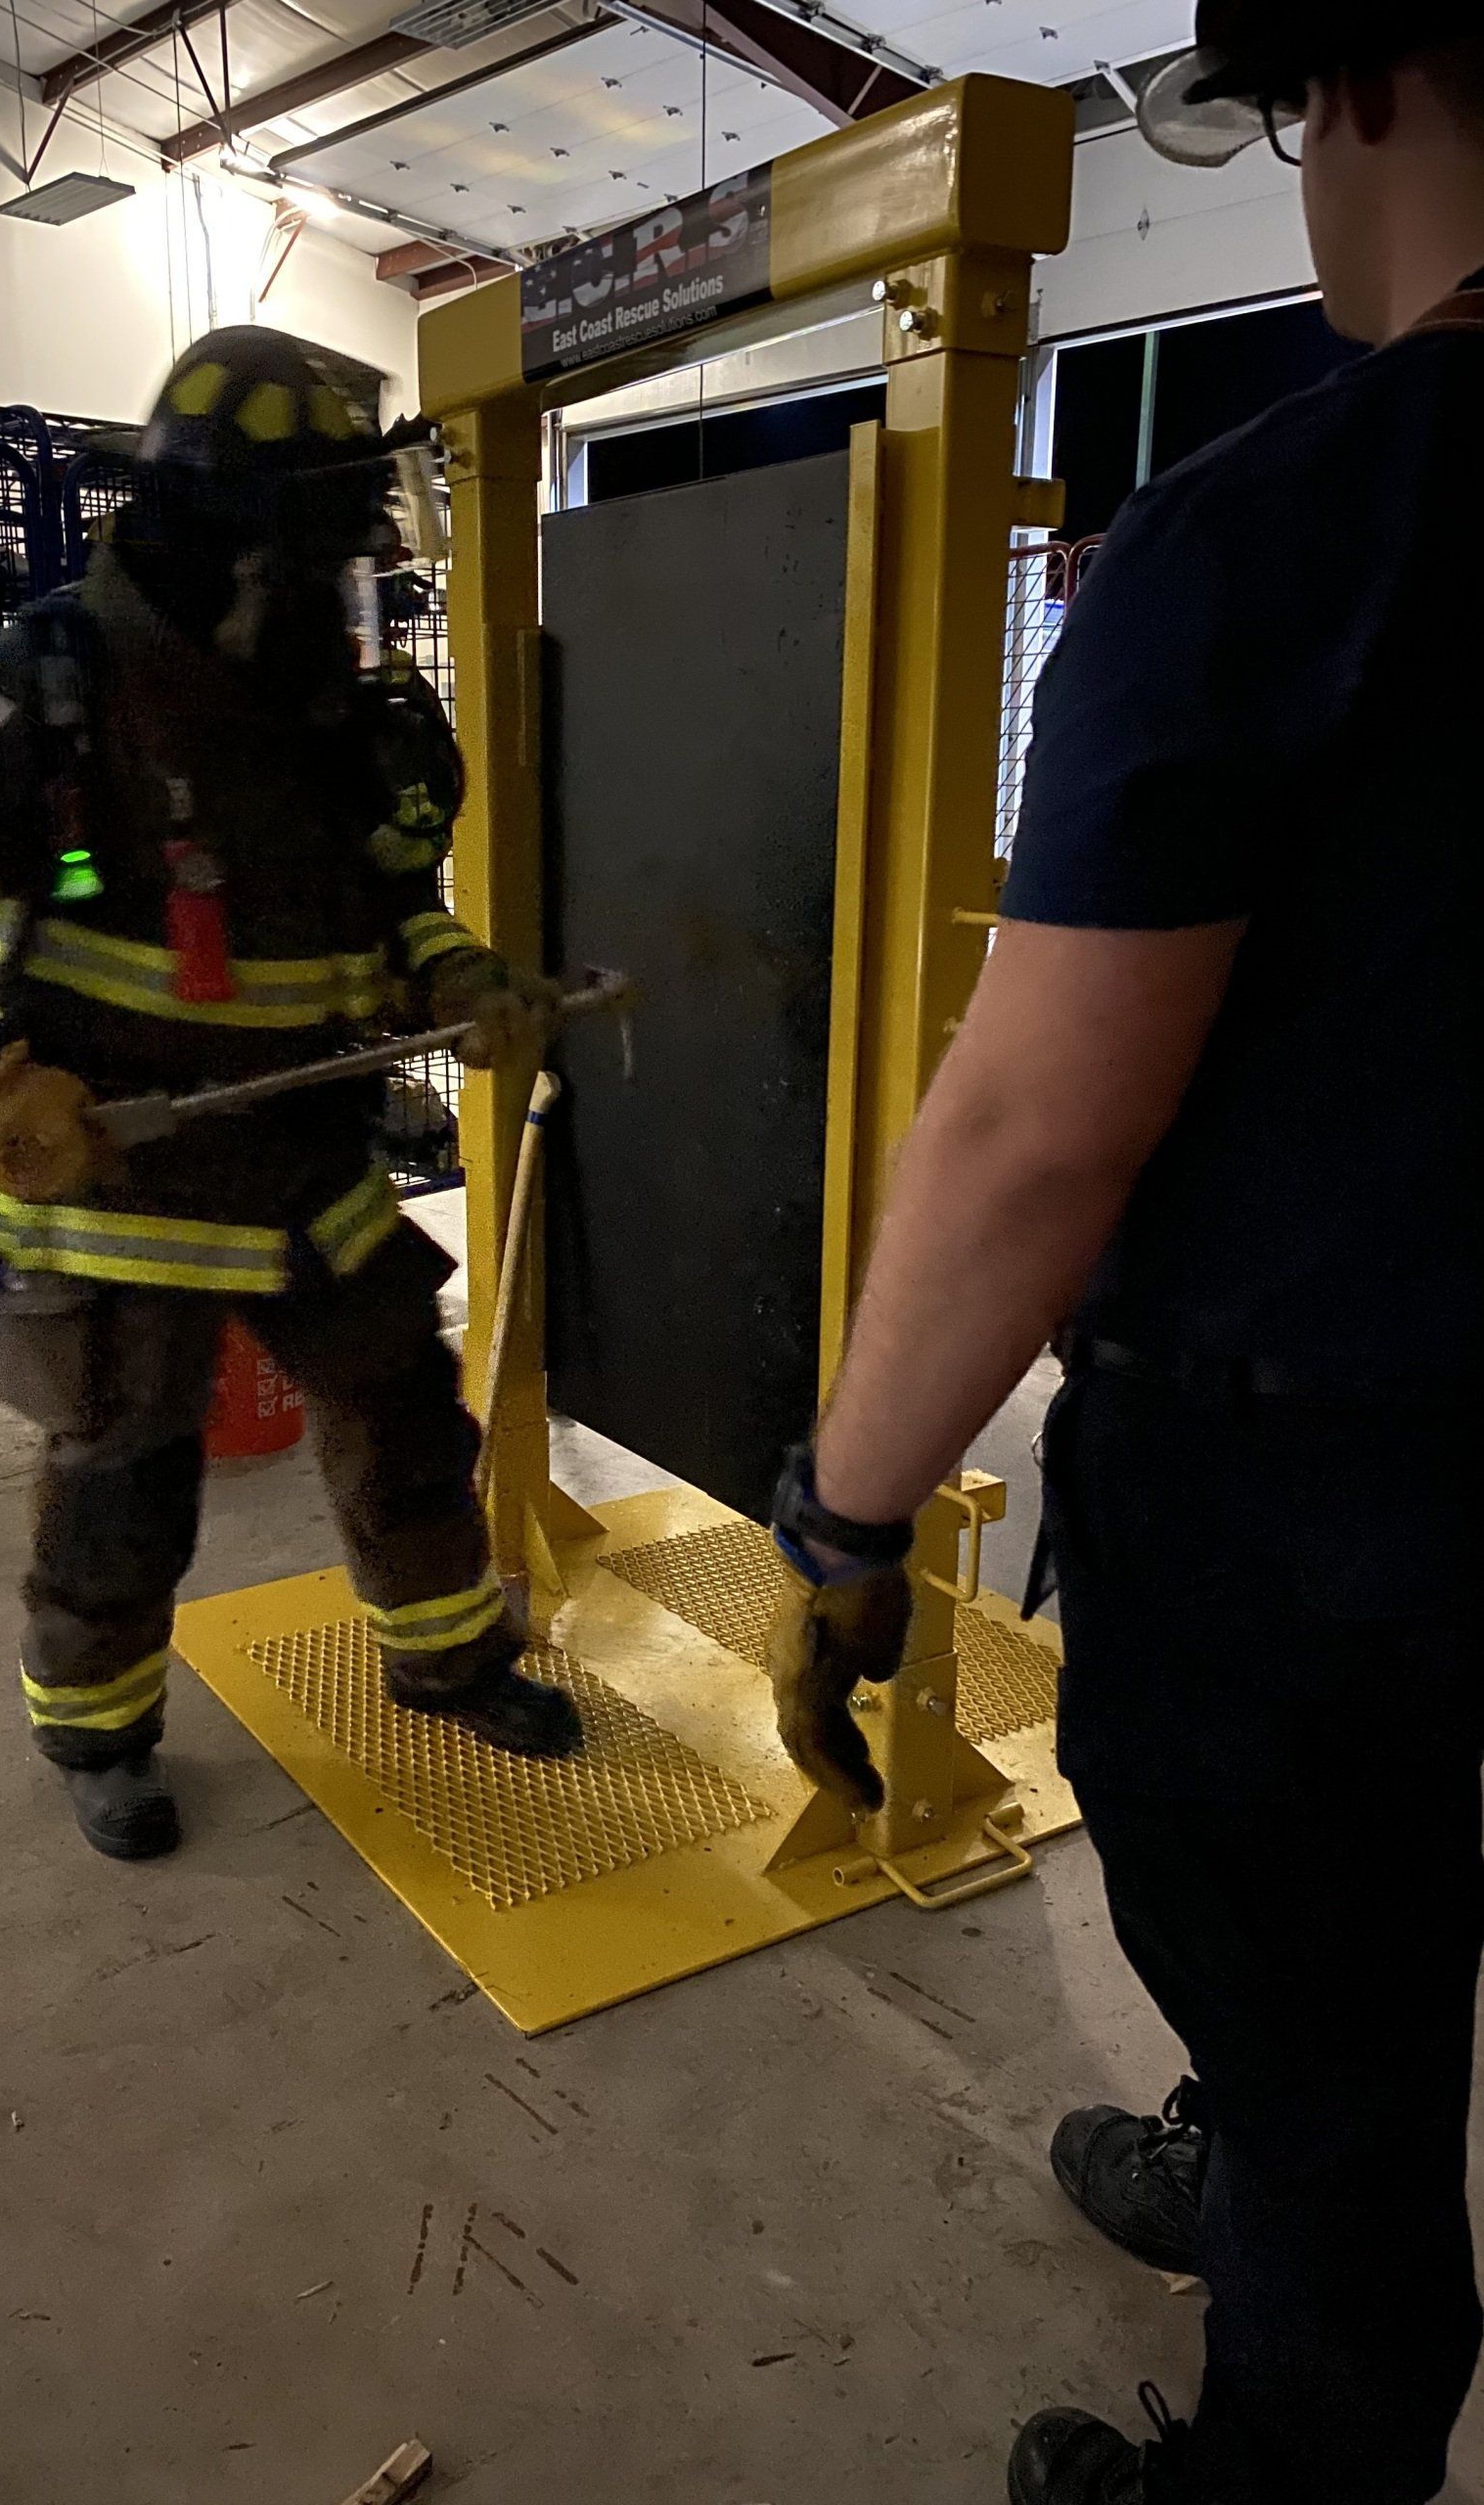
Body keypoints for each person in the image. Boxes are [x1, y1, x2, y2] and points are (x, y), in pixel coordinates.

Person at [763, 7, 1484, 2497]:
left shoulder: (1291, 525)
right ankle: (1265, 2154)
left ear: (1363, 85)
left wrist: (851, 1512)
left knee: (1330, 2027)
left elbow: (1034, 1130)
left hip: (1316, 1508)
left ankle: (1290, 2411)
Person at [0, 328, 582, 1864]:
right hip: (119, 1187)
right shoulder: (50, 688)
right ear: (240, 538)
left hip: (308, 1162)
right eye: (328, 541)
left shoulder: (329, 701)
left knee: (405, 1415)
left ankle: (447, 1656)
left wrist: (454, 976)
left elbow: (384, 898)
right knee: (123, 1476)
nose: (357, 574)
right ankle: (97, 1736)